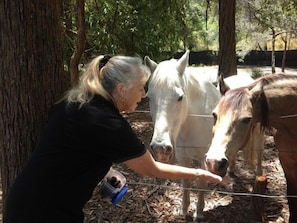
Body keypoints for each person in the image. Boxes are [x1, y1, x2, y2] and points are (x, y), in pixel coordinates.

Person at [4, 55, 227, 223]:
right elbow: (152, 169)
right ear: (121, 90)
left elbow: (73, 150)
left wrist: (106, 170)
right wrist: (200, 172)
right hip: (47, 214)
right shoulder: (107, 122)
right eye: (141, 89)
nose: (143, 96)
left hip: (26, 204)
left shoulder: (78, 103)